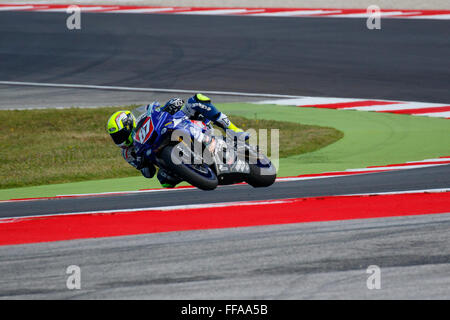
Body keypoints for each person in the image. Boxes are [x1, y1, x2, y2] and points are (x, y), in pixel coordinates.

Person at [106, 93, 244, 188]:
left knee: (197, 100)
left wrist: (170, 106)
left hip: (176, 125)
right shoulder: (127, 153)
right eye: (116, 137)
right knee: (164, 181)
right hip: (166, 158)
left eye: (120, 134)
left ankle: (232, 128)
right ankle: (194, 176)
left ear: (129, 125)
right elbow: (149, 174)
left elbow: (161, 110)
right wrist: (142, 165)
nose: (119, 140)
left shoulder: (143, 119)